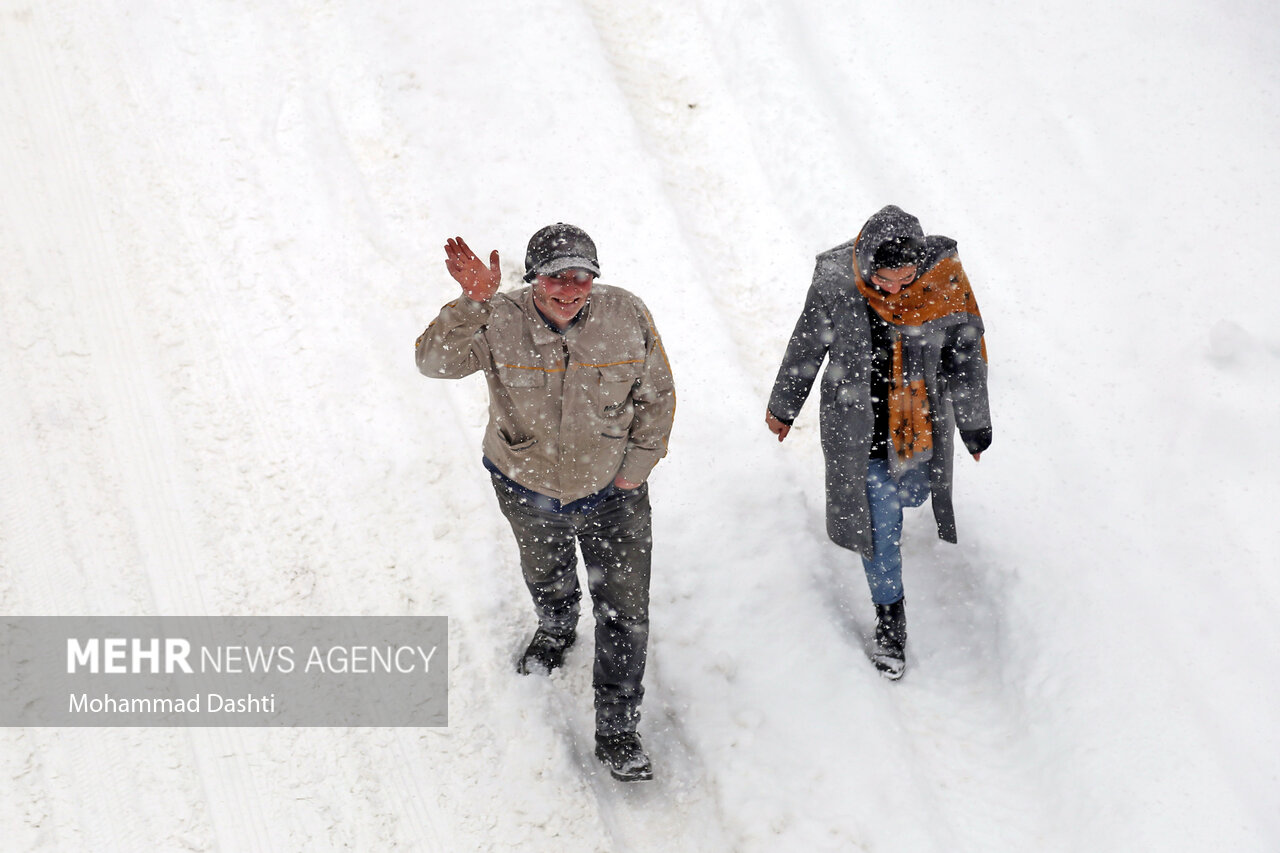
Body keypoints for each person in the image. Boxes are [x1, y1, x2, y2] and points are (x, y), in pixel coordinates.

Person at [416, 223, 676, 780]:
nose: (569, 288)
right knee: (547, 570)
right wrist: (471, 303)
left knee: (626, 612)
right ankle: (557, 627)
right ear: (533, 278)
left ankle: (618, 731)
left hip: (615, 492)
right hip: (527, 482)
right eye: (556, 276)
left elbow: (657, 396)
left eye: (582, 276)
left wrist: (634, 472)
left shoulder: (625, 315)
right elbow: (434, 363)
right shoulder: (498, 317)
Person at [765, 205, 991, 680]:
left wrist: (973, 424)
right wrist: (785, 405)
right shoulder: (835, 279)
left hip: (919, 423)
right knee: (879, 526)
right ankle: (891, 618)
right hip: (859, 427)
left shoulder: (943, 280)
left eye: (905, 276)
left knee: (910, 494)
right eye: (883, 279)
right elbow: (806, 345)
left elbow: (964, 355)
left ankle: (892, 554)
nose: (895, 288)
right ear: (865, 262)